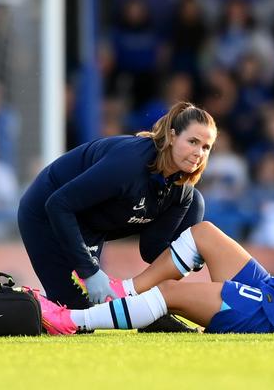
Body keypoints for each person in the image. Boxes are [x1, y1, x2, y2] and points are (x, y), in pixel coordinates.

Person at [36, 145, 274, 335]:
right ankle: (125, 290)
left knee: (170, 295)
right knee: (204, 233)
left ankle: (74, 320)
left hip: (273, 312)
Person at [18, 102, 215, 330]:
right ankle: (4, 305)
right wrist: (89, 271)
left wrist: (193, 253)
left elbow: (152, 250)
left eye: (206, 147)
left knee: (195, 203)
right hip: (45, 213)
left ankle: (153, 310)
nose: (198, 153)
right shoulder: (129, 164)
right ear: (172, 137)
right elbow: (58, 204)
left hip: (91, 223)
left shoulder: (182, 190)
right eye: (193, 142)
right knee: (78, 320)